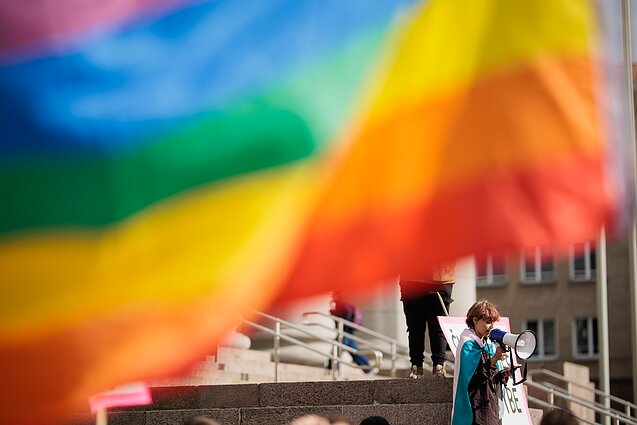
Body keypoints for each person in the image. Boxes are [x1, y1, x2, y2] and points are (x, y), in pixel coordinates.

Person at [451, 300, 511, 425]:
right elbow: (473, 380)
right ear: (475, 320)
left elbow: (490, 379)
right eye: (488, 322)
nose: (491, 327)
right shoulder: (468, 345)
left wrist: (502, 375)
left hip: (490, 409)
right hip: (476, 411)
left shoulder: (488, 345)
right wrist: (493, 360)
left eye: (492, 322)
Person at [399, 262, 455, 378]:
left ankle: (439, 365)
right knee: (415, 327)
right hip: (412, 277)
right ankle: (416, 366)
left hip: (440, 276)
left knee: (438, 326)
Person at [327, 292, 370, 371]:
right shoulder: (343, 302)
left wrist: (334, 314)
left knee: (337, 347)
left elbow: (346, 313)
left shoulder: (340, 303)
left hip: (345, 330)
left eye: (333, 295)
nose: (332, 296)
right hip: (347, 329)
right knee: (353, 350)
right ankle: (367, 367)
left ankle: (331, 367)